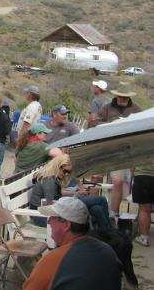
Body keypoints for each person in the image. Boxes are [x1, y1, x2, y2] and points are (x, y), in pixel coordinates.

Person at [93, 82, 143, 220]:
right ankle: (93, 210)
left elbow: (142, 126)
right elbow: (95, 123)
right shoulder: (107, 108)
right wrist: (112, 125)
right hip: (104, 149)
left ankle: (112, 214)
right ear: (116, 96)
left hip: (122, 151)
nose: (122, 99)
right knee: (95, 179)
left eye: (125, 97)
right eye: (120, 96)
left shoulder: (136, 109)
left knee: (118, 182)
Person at [28, 154, 111, 228]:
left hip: (57, 208)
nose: (66, 174)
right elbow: (50, 205)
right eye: (65, 171)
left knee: (97, 209)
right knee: (91, 207)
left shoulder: (55, 178)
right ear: (58, 166)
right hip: (42, 216)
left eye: (69, 172)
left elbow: (57, 200)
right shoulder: (49, 181)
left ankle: (108, 234)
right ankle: (101, 235)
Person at [133, 162, 154, 247]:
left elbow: (132, 163)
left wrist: (134, 175)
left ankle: (144, 237)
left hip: (142, 175)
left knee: (144, 210)